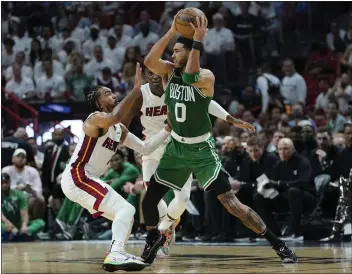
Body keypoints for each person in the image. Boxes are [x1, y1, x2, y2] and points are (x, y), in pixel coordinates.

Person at [141, 11, 297, 264]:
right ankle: (152, 240)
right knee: (149, 201)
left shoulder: (206, 76)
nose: (172, 55)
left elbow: (191, 76)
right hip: (176, 149)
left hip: (202, 150)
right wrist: (172, 32)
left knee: (232, 205)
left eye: (177, 51)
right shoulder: (168, 73)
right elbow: (150, 60)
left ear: (191, 52)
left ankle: (278, 244)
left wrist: (198, 40)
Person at [120, 64, 249, 256]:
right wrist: (137, 145)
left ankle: (167, 226)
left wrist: (229, 117)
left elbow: (204, 101)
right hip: (153, 149)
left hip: (177, 148)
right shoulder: (141, 94)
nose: (155, 76)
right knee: (152, 199)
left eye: (158, 72)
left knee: (183, 199)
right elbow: (122, 121)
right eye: (150, 73)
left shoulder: (175, 87)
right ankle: (164, 230)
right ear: (145, 75)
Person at [60, 63, 171, 272]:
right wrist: (137, 88)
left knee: (125, 214)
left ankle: (117, 252)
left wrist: (167, 129)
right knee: (125, 209)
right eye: (107, 93)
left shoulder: (118, 130)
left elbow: (146, 149)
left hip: (88, 179)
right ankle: (115, 253)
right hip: (78, 176)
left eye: (112, 92)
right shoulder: (95, 119)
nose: (113, 95)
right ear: (98, 102)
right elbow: (117, 116)